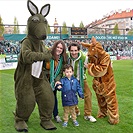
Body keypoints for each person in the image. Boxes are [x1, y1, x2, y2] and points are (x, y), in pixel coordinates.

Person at [81, 37, 119, 125]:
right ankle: (103, 113)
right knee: (101, 99)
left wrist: (90, 67)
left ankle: (114, 118)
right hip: (98, 82)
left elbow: (102, 70)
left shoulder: (105, 56)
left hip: (107, 82)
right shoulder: (94, 56)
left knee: (111, 100)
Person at [67, 42, 97, 122]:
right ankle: (75, 111)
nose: (73, 52)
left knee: (88, 95)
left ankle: (88, 114)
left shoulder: (84, 58)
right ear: (69, 51)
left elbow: (95, 64)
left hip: (81, 79)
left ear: (79, 50)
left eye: (75, 50)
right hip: (71, 80)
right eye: (72, 50)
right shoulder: (67, 57)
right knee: (71, 96)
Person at [44, 40, 67, 123]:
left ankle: (55, 115)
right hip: (44, 80)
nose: (59, 49)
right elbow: (43, 68)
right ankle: (46, 116)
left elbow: (60, 73)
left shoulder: (62, 59)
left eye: (61, 48)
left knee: (54, 98)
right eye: (58, 47)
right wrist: (49, 75)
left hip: (54, 82)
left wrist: (57, 81)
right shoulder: (48, 54)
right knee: (44, 99)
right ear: (54, 47)